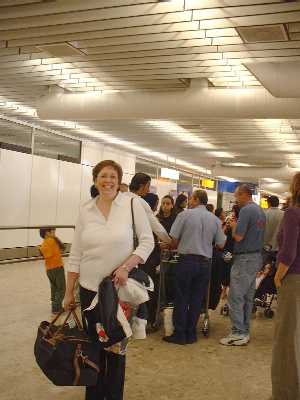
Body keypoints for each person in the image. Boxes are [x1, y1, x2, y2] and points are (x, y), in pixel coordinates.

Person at [64, 160, 154, 400]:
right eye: (103, 176)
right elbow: (76, 254)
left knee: (115, 350)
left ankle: (114, 396)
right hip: (89, 291)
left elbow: (147, 241)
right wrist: (68, 291)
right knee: (93, 349)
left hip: (117, 292)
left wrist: (126, 267)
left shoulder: (132, 204)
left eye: (113, 176)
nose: (108, 181)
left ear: (119, 180)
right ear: (95, 180)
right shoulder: (86, 210)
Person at [163, 189, 226, 345]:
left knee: (182, 297)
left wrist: (167, 245)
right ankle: (191, 334)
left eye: (191, 198)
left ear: (196, 200)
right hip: (205, 263)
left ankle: (180, 334)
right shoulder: (215, 220)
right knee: (197, 299)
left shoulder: (184, 215)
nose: (189, 201)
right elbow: (221, 243)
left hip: (186, 261)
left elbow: (174, 241)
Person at [220, 185, 266, 346]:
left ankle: (238, 332)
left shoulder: (246, 211)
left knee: (236, 296)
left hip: (244, 258)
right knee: (247, 296)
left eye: (237, 196)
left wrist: (233, 226)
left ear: (245, 195)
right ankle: (244, 330)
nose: (236, 200)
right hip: (255, 257)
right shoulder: (260, 211)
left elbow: (238, 237)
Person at [271, 172, 300, 400]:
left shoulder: (293, 213)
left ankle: (286, 394)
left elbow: (288, 252)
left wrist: (278, 276)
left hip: (294, 280)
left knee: (286, 339)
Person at [127, 173, 171, 244]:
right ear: (141, 186)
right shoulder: (140, 202)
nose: (148, 190)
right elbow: (157, 228)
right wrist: (169, 241)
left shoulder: (120, 198)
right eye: (148, 186)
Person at [141, 192, 161, 330]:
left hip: (138, 259)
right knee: (150, 291)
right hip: (149, 260)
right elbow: (159, 235)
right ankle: (148, 321)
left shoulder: (136, 217)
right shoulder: (150, 218)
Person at [39, 227, 66, 315]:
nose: (54, 232)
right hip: (57, 268)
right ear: (47, 233)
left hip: (49, 269)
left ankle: (55, 307)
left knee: (54, 288)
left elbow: (45, 254)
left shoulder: (44, 243)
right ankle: (56, 308)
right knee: (61, 288)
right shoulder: (51, 241)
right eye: (52, 231)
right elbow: (63, 248)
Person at [263, 195, 283, 262]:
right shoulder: (284, 214)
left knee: (264, 268)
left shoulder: (264, 214)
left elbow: (259, 229)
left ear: (269, 203)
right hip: (279, 247)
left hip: (265, 246)